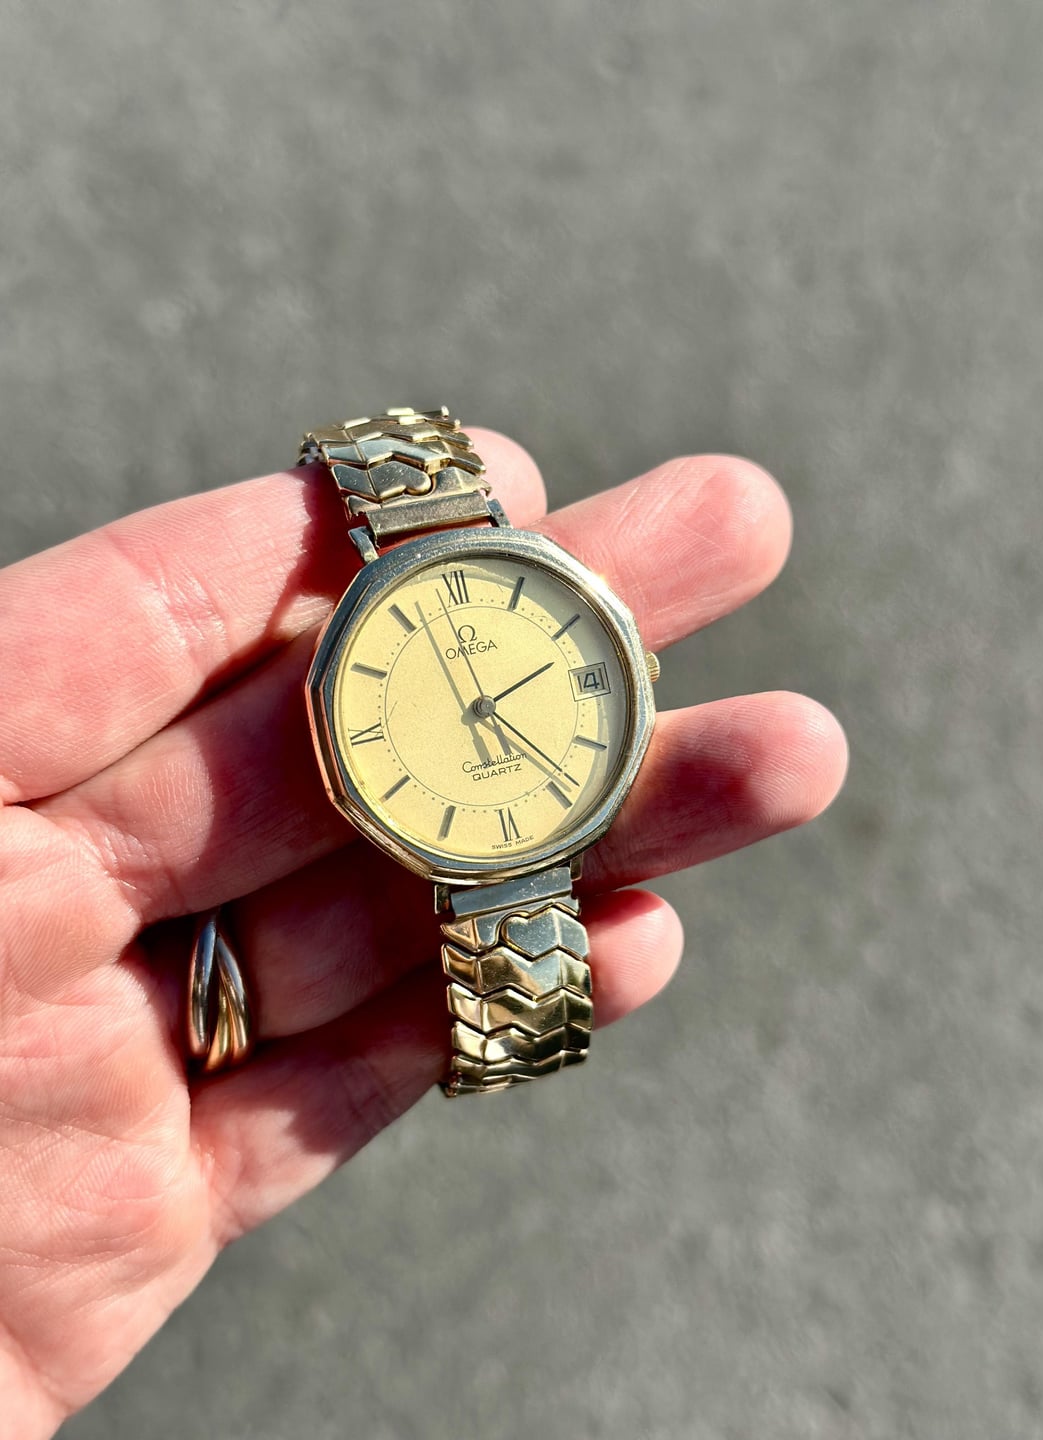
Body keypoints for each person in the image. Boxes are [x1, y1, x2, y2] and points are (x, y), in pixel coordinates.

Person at [0, 431, 847, 1436]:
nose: (482, 705)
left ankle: (523, 1033)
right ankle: (519, 1033)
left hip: (540, 835)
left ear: (627, 661)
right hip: (458, 844)